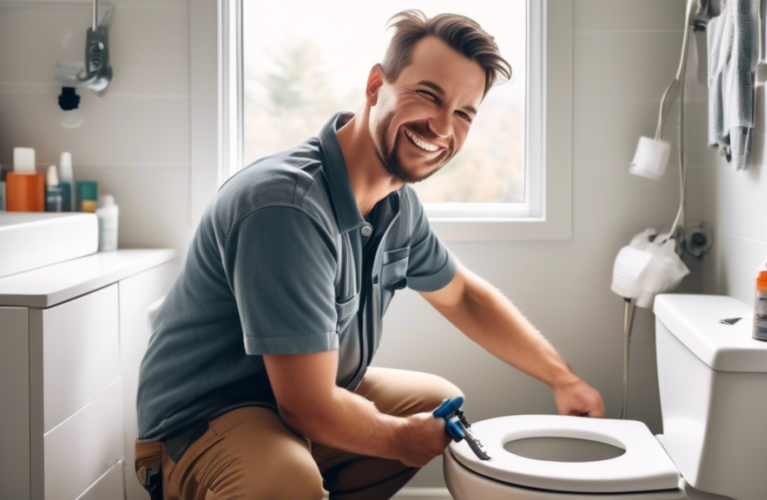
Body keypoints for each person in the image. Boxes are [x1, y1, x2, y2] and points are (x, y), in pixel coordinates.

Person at [134, 9, 605, 500]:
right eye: (428, 94)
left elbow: (463, 296)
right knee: (289, 480)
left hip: (284, 410)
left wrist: (563, 378)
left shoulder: (395, 205)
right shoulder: (286, 207)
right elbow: (308, 408)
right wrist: (400, 440)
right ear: (376, 84)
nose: (443, 126)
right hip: (205, 425)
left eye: (464, 113)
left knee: (439, 403)